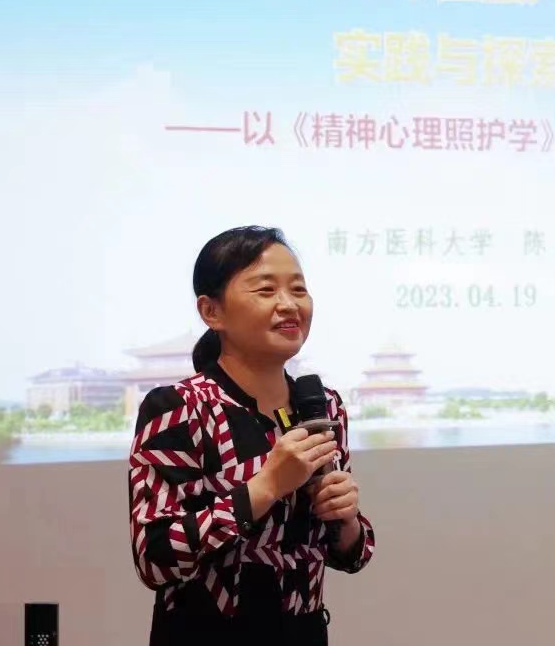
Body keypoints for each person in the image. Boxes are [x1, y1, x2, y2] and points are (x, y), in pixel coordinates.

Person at [127, 226, 375, 645]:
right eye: (266, 290)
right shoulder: (180, 407)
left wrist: (346, 520)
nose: (289, 304)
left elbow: (350, 554)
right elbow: (155, 558)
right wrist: (266, 487)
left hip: (304, 632)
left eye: (298, 289)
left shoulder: (323, 406)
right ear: (212, 312)